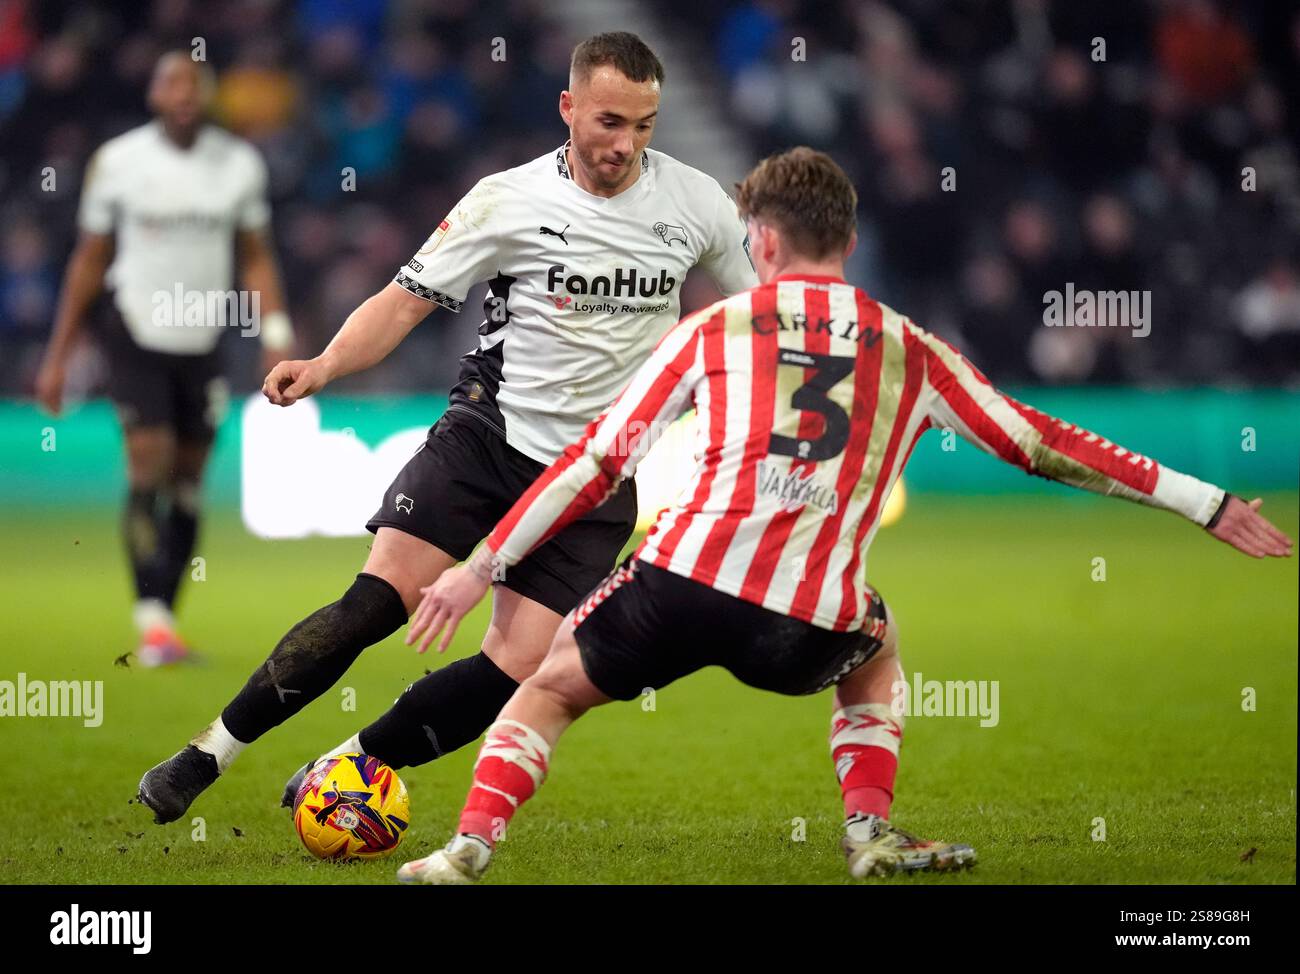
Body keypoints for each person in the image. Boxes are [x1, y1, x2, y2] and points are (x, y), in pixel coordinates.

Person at [393, 147, 1293, 884]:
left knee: (549, 688)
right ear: (850, 240)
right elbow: (1037, 442)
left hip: (675, 585)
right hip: (808, 619)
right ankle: (868, 831)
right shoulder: (909, 346)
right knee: (879, 642)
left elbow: (596, 464)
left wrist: (483, 566)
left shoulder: (715, 330)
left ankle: (466, 846)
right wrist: (1201, 501)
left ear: (762, 240)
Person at [137, 32, 757, 823]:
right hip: (487, 439)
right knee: (376, 603)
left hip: (600, 475)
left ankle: (349, 764)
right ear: (568, 108)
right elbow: (404, 301)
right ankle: (205, 754)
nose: (624, 145)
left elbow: (759, 312)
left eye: (644, 126)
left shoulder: (697, 202)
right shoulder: (507, 200)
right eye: (608, 122)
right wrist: (325, 365)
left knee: (518, 666)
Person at [35, 51, 294, 666]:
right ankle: (149, 618)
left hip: (203, 339)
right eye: (171, 81)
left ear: (206, 96)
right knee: (147, 463)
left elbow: (255, 254)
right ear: (153, 95)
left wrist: (276, 332)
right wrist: (58, 355)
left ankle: (165, 622)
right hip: (135, 330)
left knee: (188, 480)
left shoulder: (238, 165)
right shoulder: (119, 163)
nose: (183, 92)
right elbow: (89, 260)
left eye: (194, 83)